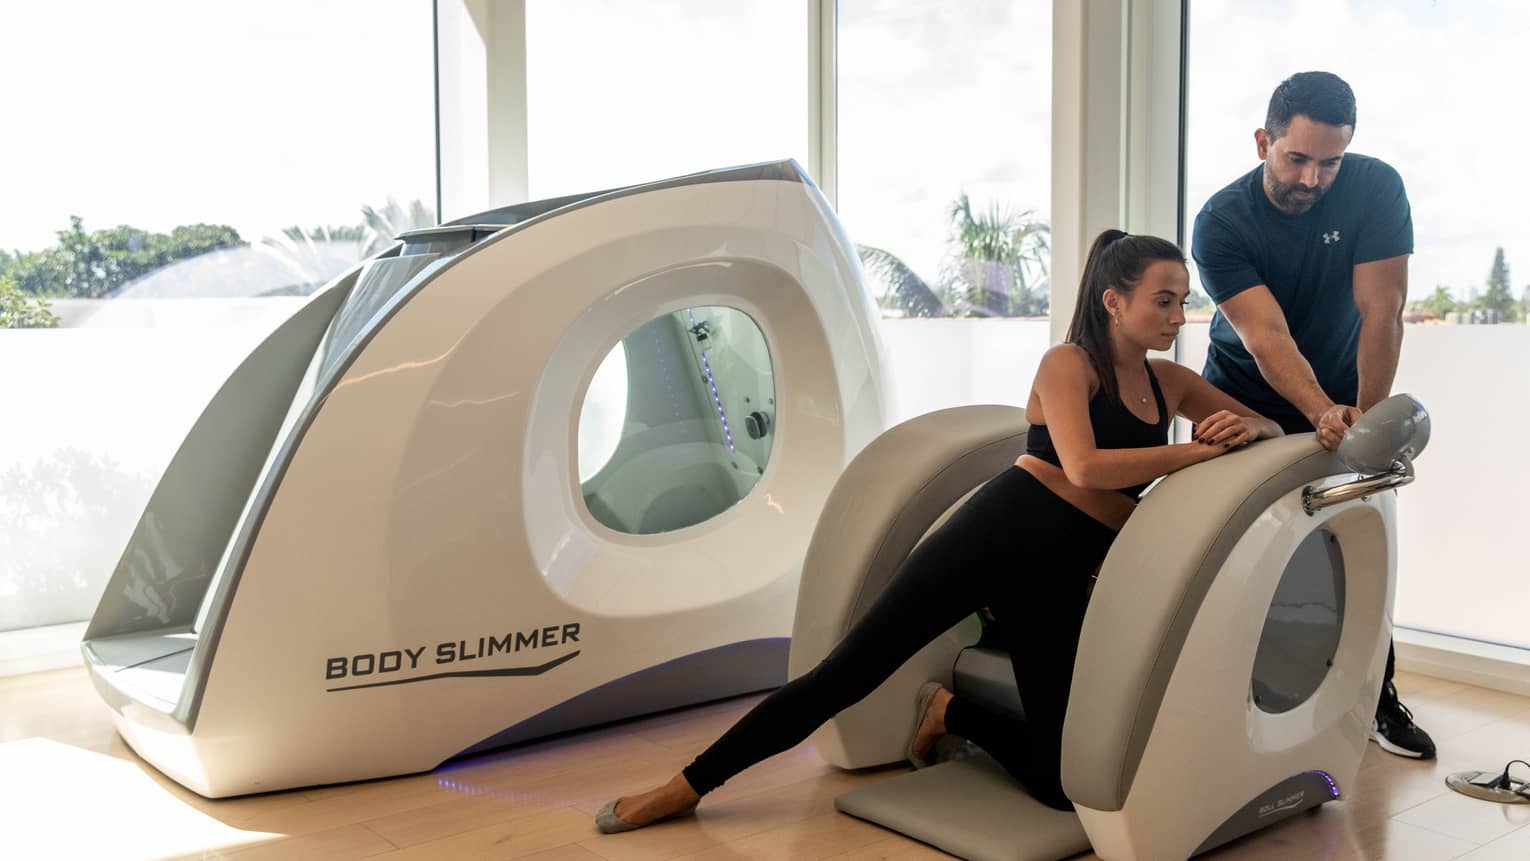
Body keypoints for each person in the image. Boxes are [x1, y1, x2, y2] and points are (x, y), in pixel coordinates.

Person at [594, 229, 1283, 833]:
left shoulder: (1168, 380)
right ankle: (683, 786)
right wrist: (1193, 452)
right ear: (1114, 301)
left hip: (1061, 573)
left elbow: (1271, 425)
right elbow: (1085, 465)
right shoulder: (1068, 365)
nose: (1179, 314)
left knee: (1058, 781)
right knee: (842, 676)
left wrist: (1252, 426)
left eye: (1183, 299)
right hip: (994, 537)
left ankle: (951, 713)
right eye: (1164, 299)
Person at [1191, 71, 1434, 759]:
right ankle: (1225, 703)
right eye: (1296, 158)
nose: (1312, 177)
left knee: (1356, 543)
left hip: (1342, 388)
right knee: (1240, 557)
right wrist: (1320, 411)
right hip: (1241, 396)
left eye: (1329, 161)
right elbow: (1266, 338)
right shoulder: (1221, 221)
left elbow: (1380, 311)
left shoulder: (1376, 187)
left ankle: (1375, 696)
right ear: (1263, 140)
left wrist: (1366, 422)